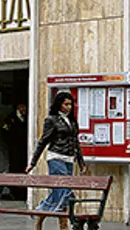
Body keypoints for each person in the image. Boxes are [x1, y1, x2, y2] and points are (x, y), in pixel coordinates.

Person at [25, 92, 87, 230]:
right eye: (66, 104)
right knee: (65, 190)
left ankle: (41, 211)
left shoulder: (72, 121)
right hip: (56, 157)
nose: (69, 107)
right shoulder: (51, 120)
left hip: (69, 159)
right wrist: (33, 163)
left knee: (58, 192)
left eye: (71, 104)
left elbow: (76, 143)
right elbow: (43, 141)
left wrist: (81, 163)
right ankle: (63, 225)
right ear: (59, 104)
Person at [0, 102, 28, 199]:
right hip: (15, 149)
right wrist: (11, 142)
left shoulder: (28, 118)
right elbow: (4, 131)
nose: (24, 109)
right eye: (23, 107)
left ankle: (23, 193)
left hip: (25, 149)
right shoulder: (10, 119)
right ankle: (14, 192)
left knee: (24, 170)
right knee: (15, 169)